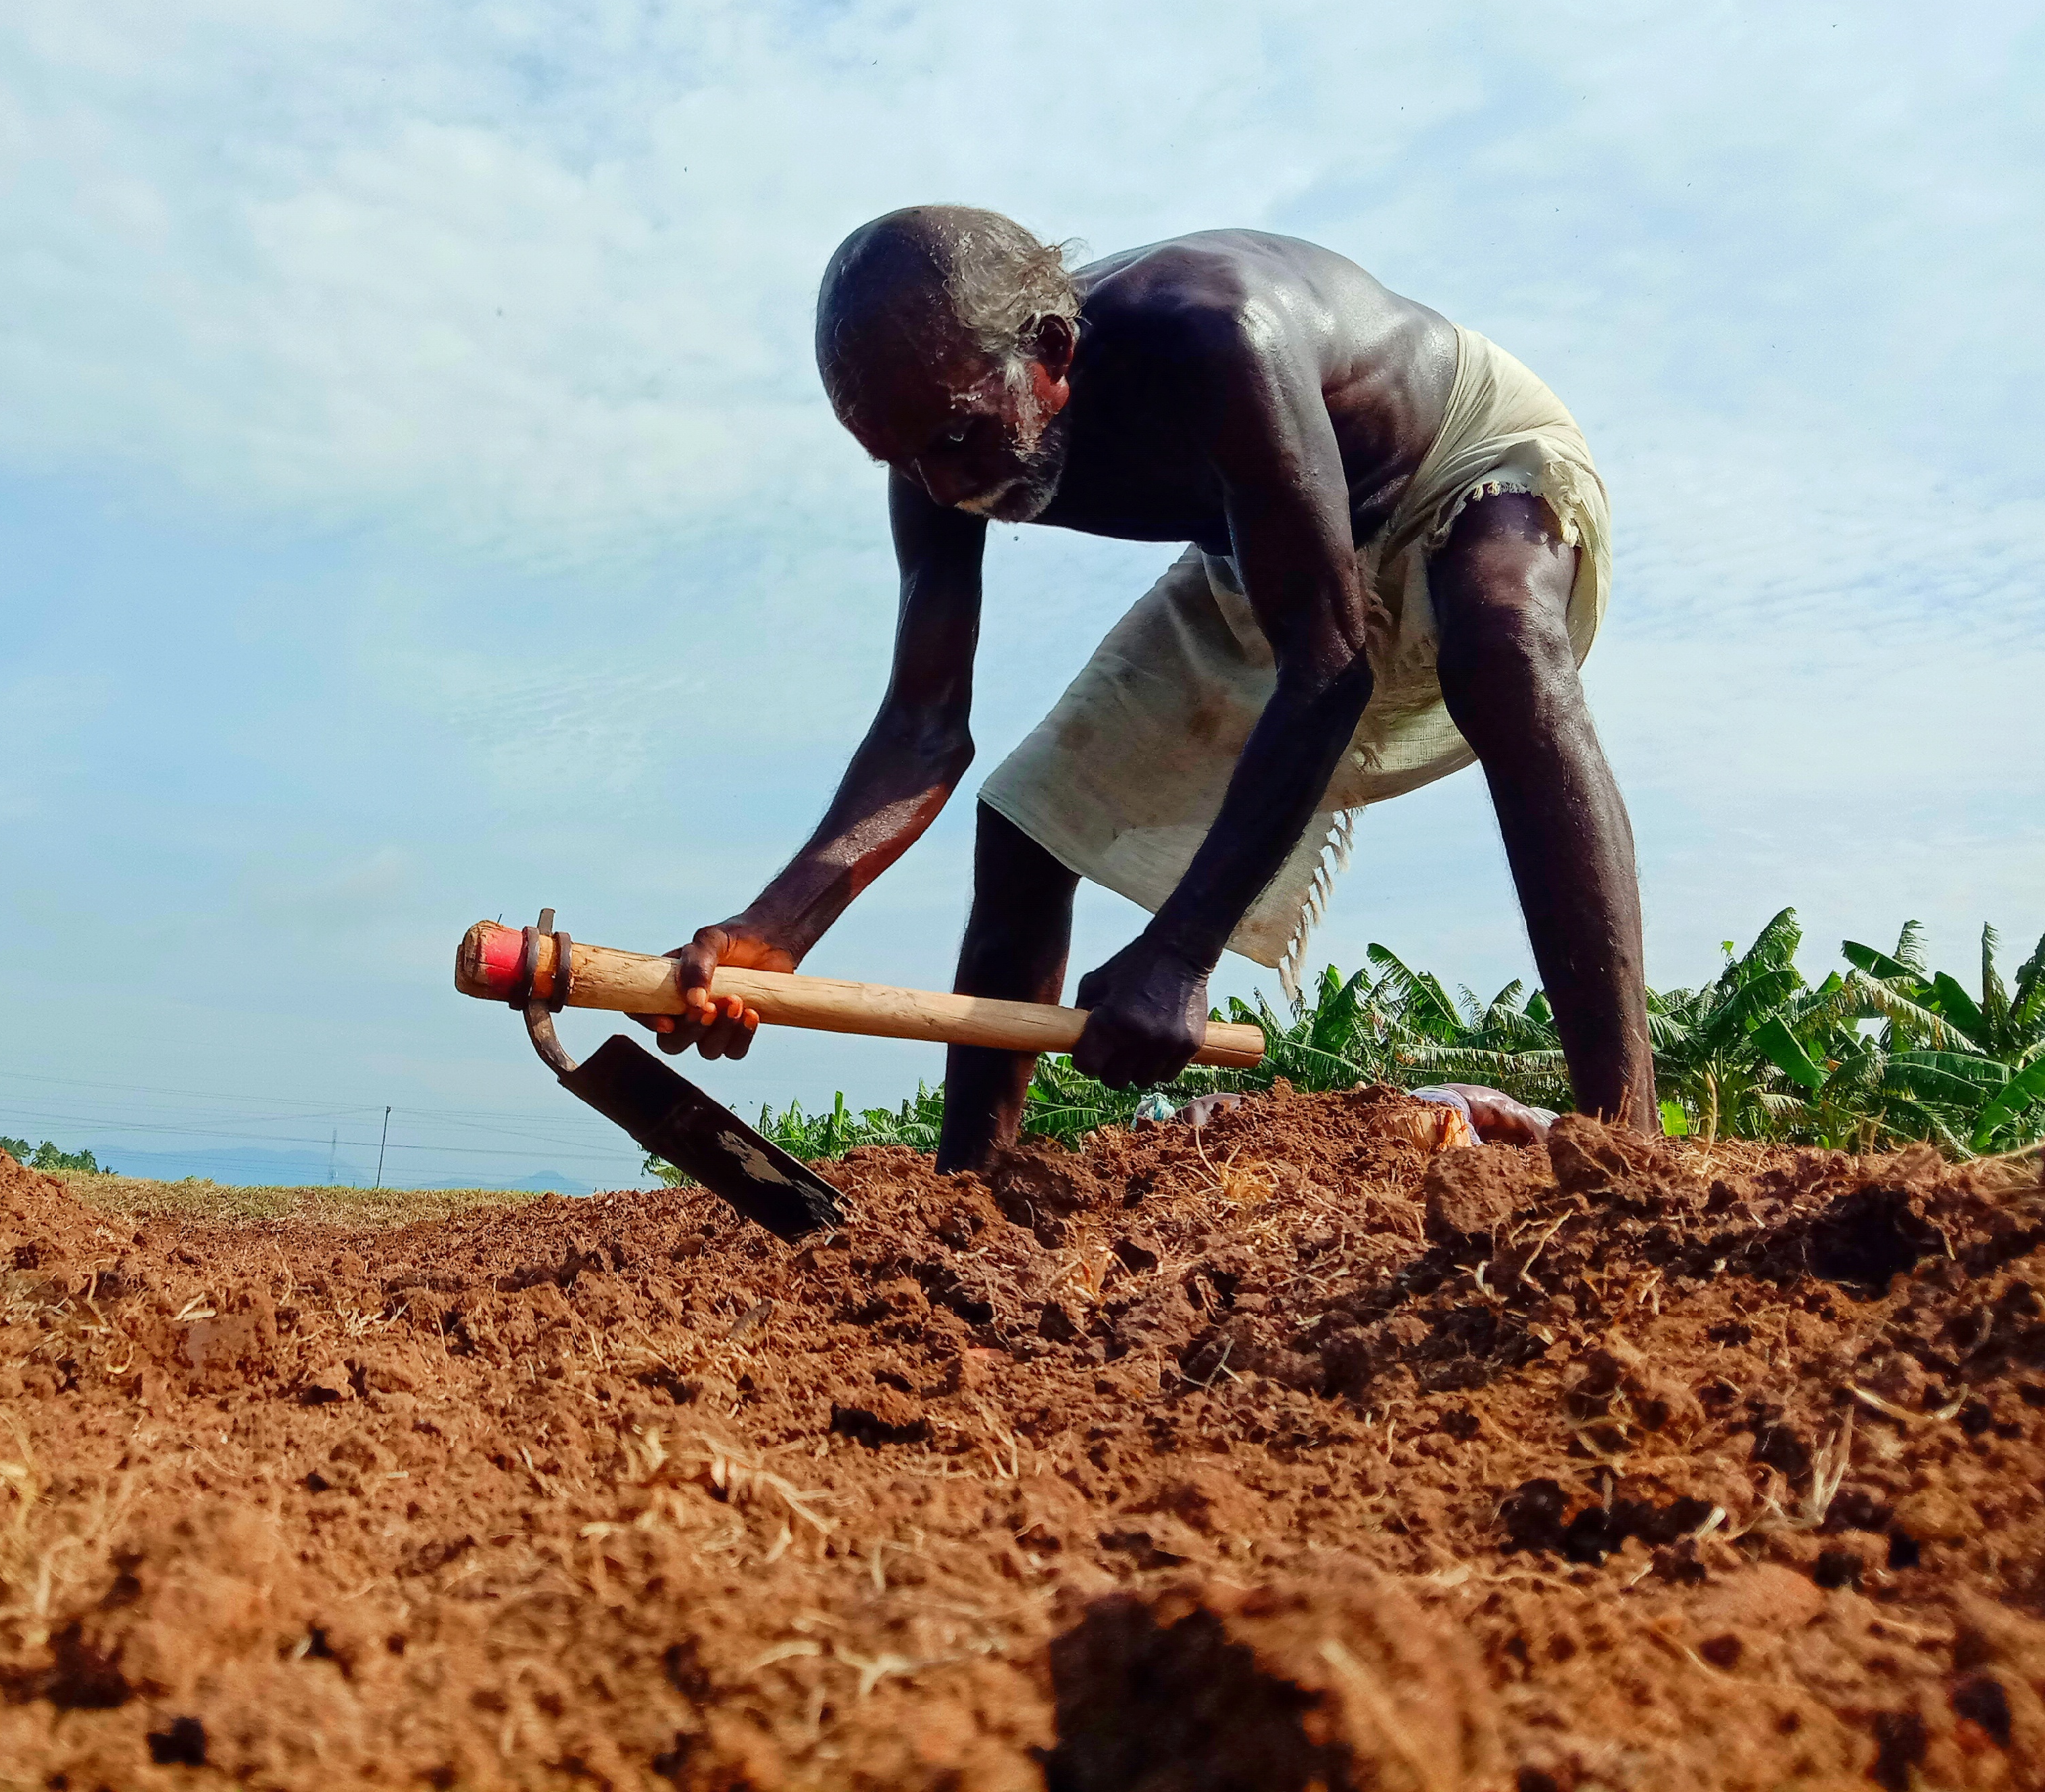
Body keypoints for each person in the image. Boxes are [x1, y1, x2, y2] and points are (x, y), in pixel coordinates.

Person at [642, 208, 1657, 1169]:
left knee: (1502, 646)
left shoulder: (1218, 335)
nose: (945, 490)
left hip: (1459, 466)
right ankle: (964, 1202)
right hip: (1261, 540)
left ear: (1052, 352)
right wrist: (774, 930)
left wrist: (1179, 951)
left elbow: (1328, 664)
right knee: (1029, 827)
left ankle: (1628, 1138)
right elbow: (922, 729)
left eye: (959, 442)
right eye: (900, 460)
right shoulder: (933, 447)